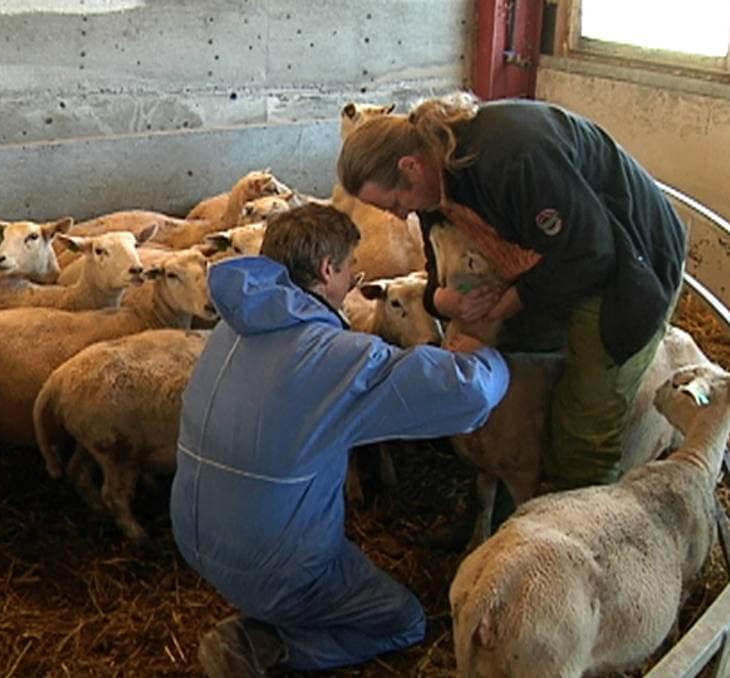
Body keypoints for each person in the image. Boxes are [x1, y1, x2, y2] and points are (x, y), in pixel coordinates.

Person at [170, 203, 510, 677]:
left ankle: (267, 615)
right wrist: (482, 353)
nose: (353, 278)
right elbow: (467, 391)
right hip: (273, 562)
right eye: (351, 266)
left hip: (191, 533)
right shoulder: (331, 355)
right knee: (404, 621)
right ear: (328, 270)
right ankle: (267, 650)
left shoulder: (231, 328)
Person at [337, 92, 687, 490]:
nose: (398, 216)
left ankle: (579, 525)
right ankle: (505, 502)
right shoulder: (435, 185)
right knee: (503, 374)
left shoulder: (512, 157)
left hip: (628, 265)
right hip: (552, 263)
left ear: (410, 166)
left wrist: (510, 301)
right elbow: (437, 267)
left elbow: (591, 251)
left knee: (583, 425)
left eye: (395, 202)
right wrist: (443, 301)